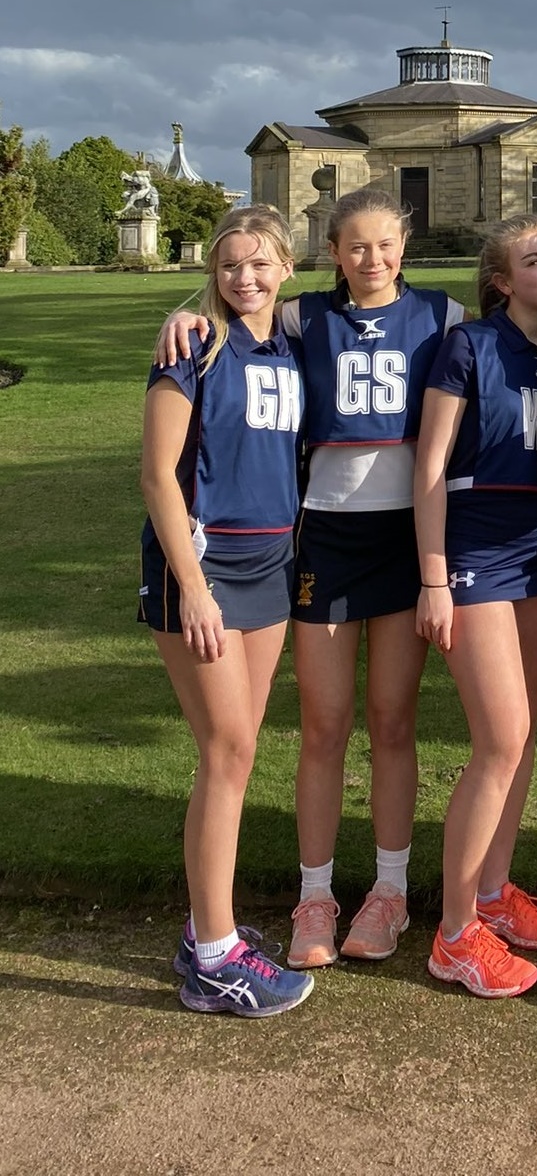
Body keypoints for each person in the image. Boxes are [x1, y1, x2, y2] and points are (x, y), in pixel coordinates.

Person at [158, 188, 466, 969]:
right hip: (324, 538)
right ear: (331, 254)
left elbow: (519, 321)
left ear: (405, 246)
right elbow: (233, 313)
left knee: (392, 721)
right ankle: (315, 894)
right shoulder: (303, 320)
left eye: (385, 245)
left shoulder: (445, 316)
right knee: (324, 726)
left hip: (403, 538)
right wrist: (183, 313)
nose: (371, 259)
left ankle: (389, 891)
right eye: (355, 247)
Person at [140, 205, 313, 1016]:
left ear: (286, 267)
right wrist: (194, 586)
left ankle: (207, 929)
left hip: (271, 563)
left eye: (260, 264)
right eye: (230, 265)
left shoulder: (290, 343)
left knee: (239, 754)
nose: (245, 277)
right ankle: (215, 957)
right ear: (214, 272)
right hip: (202, 570)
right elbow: (156, 478)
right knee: (229, 748)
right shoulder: (192, 348)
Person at [413, 215, 537, 998]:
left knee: (524, 733)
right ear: (501, 281)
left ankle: (492, 893)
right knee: (499, 740)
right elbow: (431, 467)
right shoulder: (469, 346)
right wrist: (433, 576)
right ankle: (452, 936)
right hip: (476, 556)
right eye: (532, 260)